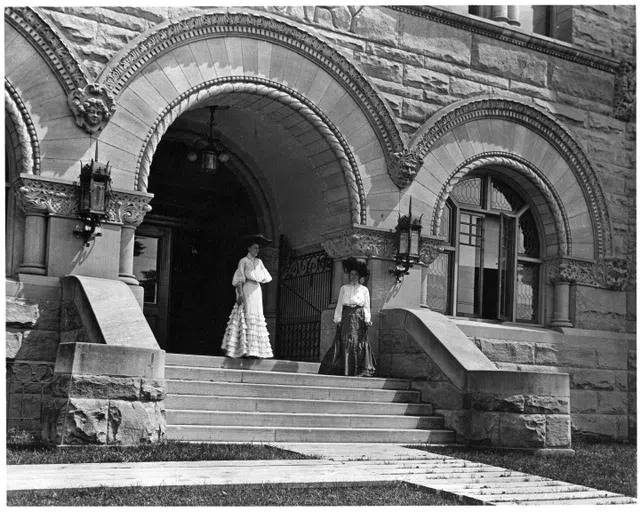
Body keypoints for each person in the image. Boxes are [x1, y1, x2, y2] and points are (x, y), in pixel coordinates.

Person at [319, 257, 376, 377]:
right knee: (345, 341)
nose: (353, 276)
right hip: (346, 315)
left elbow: (366, 306)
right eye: (351, 274)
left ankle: (358, 369)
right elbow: (340, 304)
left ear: (359, 275)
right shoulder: (344, 288)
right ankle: (344, 369)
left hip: (359, 316)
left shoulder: (364, 290)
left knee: (357, 342)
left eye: (355, 274)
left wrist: (367, 319)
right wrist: (338, 318)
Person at [221, 235, 273, 358]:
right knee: (247, 314)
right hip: (247, 288)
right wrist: (240, 294)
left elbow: (266, 276)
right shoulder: (243, 261)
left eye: (258, 248)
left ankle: (255, 351)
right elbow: (239, 279)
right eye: (255, 248)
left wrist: (258, 276)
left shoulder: (259, 262)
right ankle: (244, 349)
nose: (257, 250)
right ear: (249, 248)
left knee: (257, 315)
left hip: (256, 290)